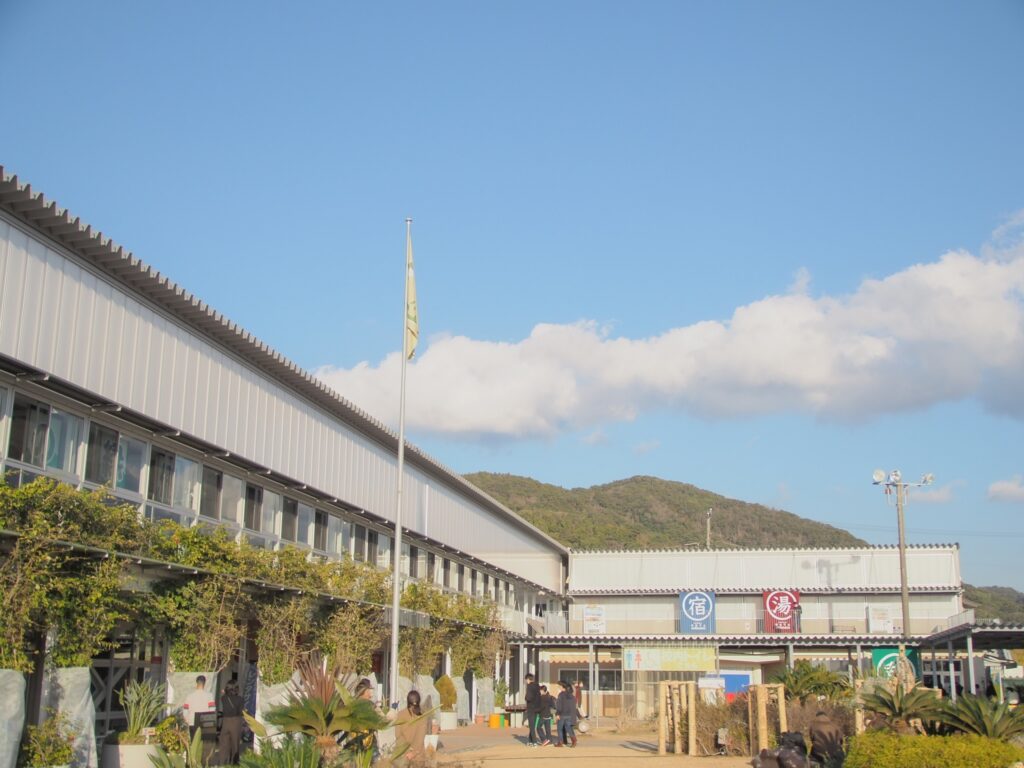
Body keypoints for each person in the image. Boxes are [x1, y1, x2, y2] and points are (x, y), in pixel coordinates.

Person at [394, 690, 428, 766]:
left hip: (414, 755)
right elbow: (399, 736)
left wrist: (413, 752)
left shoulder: (422, 716)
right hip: (405, 754)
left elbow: (420, 737)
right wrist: (410, 752)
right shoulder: (401, 715)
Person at [217, 682, 245, 764]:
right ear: (237, 689)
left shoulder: (224, 698)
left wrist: (225, 692)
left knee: (224, 744)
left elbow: (224, 694)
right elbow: (240, 712)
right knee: (235, 744)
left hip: (226, 722)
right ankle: (234, 763)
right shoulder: (240, 699)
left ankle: (223, 762)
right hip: (236, 722)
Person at [182, 675, 216, 741]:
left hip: (192, 722)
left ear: (196, 683)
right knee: (203, 743)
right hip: (204, 722)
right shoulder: (209, 696)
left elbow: (185, 710)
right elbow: (212, 709)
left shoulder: (190, 696)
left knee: (194, 743)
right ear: (204, 683)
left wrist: (187, 719)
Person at [555, 681, 579, 748]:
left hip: (562, 714)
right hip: (570, 715)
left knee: (559, 729)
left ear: (563, 687)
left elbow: (559, 705)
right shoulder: (572, 696)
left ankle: (560, 742)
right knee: (569, 728)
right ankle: (574, 741)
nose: (558, 687)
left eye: (559, 686)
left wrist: (557, 714)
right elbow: (574, 706)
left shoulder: (561, 695)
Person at [524, 673, 545, 746]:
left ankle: (535, 742)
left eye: (526, 680)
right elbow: (539, 697)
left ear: (528, 679)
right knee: (532, 725)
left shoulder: (529, 686)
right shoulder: (537, 686)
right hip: (537, 708)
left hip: (531, 708)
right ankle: (530, 741)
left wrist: (526, 698)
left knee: (532, 726)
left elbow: (528, 697)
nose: (526, 681)